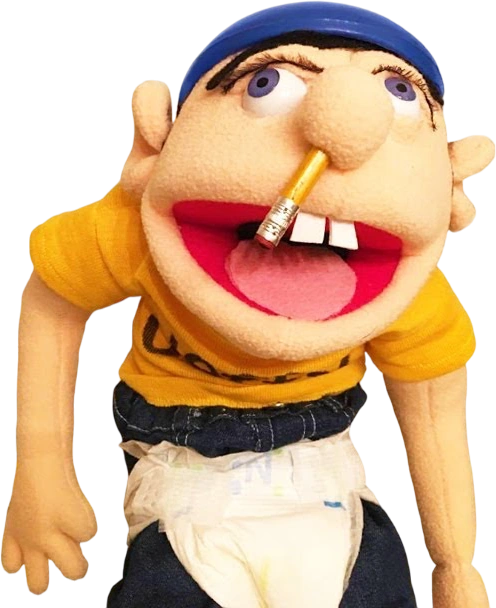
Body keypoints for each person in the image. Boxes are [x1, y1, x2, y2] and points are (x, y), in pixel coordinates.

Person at [7, 1, 493, 606]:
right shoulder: (136, 234)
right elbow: (54, 300)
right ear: (158, 135)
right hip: (184, 490)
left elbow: (435, 414)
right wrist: (40, 466)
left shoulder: (406, 288)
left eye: (400, 94)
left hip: (326, 486)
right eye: (266, 83)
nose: (342, 131)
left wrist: (457, 564)